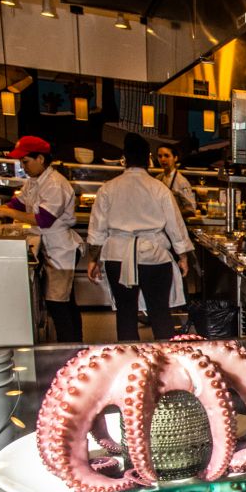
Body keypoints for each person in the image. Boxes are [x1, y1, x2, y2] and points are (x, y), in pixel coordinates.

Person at [86, 133, 193, 341]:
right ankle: (167, 363)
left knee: (125, 314)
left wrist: (93, 259)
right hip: (153, 257)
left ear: (124, 158)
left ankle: (130, 365)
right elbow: (175, 226)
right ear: (148, 159)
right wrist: (183, 256)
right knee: (160, 312)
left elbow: (97, 229)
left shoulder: (108, 188)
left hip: (117, 256)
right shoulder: (159, 188)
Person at [0, 136, 83, 342]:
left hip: (62, 249)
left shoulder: (55, 184)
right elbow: (18, 204)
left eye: (25, 161)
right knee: (64, 302)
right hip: (51, 247)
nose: (23, 166)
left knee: (58, 303)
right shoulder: (34, 182)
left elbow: (43, 219)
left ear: (40, 159)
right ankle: (75, 346)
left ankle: (69, 348)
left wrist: (4, 213)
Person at [156, 143, 197, 218]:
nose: (163, 159)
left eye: (166, 156)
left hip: (175, 225)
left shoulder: (182, 182)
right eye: (160, 156)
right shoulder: (158, 179)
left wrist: (171, 213)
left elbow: (191, 210)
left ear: (175, 158)